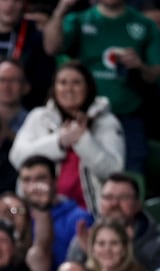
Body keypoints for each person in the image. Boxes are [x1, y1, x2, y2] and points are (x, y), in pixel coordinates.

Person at [43, 0, 160, 174]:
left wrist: (140, 65)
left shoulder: (144, 25)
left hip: (128, 115)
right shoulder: (79, 20)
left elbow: (155, 75)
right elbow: (51, 48)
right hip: (85, 117)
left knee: (130, 177)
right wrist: (61, 9)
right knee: (81, 175)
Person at [9, 60, 126, 215]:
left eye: (76, 83)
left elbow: (114, 170)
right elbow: (17, 157)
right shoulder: (39, 117)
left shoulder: (106, 122)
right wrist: (58, 142)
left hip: (92, 216)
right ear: (54, 88)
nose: (69, 89)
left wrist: (83, 139)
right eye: (62, 83)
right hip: (40, 215)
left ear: (88, 87)